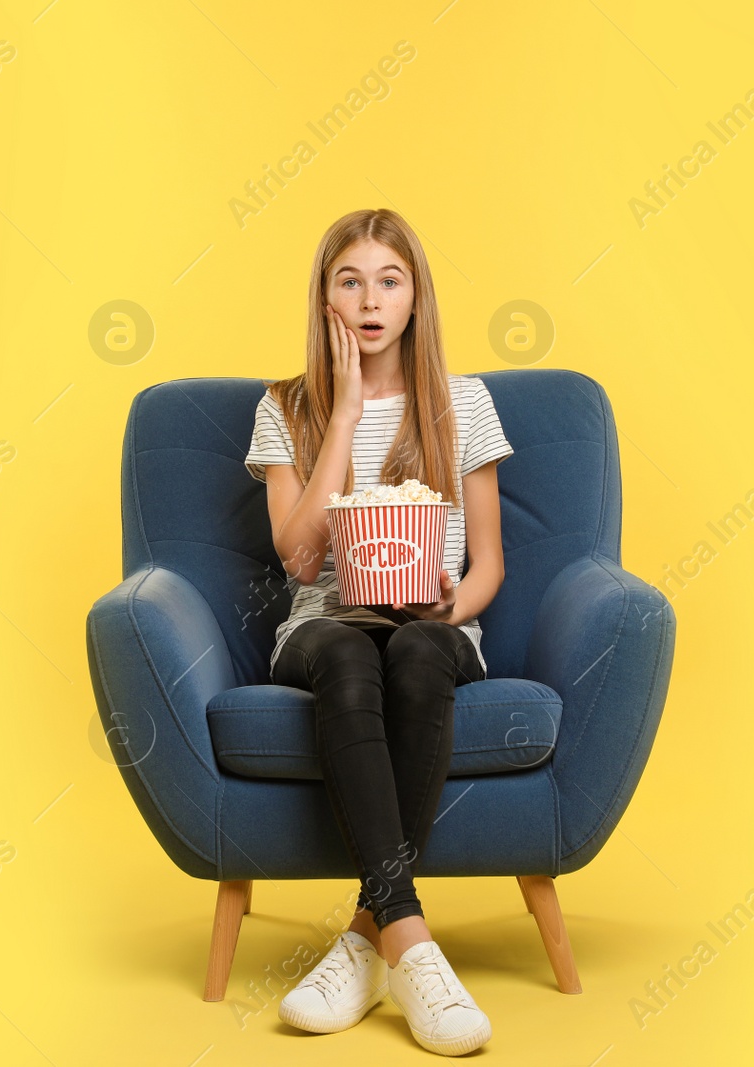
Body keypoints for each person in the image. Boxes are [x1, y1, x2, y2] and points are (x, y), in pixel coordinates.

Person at [242, 208, 514, 1055]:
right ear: (325, 299)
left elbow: (489, 568)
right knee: (352, 651)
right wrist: (349, 410)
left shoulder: (464, 403)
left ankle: (369, 938)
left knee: (419, 650)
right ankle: (413, 943)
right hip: (322, 627)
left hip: (433, 624)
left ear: (415, 296)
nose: (369, 299)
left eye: (388, 280)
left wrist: (449, 608)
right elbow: (296, 555)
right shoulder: (285, 405)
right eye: (349, 280)